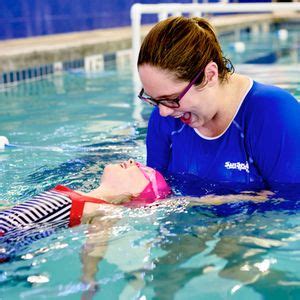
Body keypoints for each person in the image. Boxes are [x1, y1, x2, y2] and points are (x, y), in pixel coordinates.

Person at [137, 16, 300, 193]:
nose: (163, 112)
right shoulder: (165, 118)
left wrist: (208, 203)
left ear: (210, 75)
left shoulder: (274, 114)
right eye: (154, 100)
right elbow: (156, 194)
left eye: (172, 99)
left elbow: (291, 204)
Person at [0, 159, 171, 237]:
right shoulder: (77, 193)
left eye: (143, 171)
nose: (133, 161)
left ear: (135, 194)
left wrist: (88, 277)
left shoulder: (105, 210)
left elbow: (95, 245)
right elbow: (20, 210)